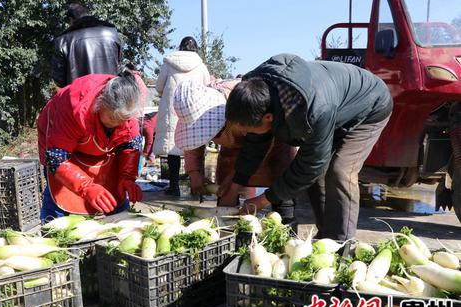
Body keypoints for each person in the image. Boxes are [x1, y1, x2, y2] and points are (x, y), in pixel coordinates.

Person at [223, 54, 393, 240]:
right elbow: (255, 144)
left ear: (269, 117)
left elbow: (310, 165)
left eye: (249, 129)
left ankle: (341, 244)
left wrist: (264, 199)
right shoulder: (256, 92)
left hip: (370, 105)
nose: (247, 133)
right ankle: (326, 237)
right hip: (334, 108)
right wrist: (234, 188)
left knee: (340, 171)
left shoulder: (313, 109)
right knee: (316, 177)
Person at [173, 80, 298, 229]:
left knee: (281, 195)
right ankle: (228, 234)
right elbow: (193, 143)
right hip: (232, 154)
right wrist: (194, 172)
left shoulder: (244, 99)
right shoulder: (192, 111)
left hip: (272, 146)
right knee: (226, 196)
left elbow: (257, 146)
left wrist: (235, 179)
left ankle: (287, 230)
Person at [37, 70, 143, 221]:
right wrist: (86, 187)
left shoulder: (126, 110)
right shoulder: (71, 105)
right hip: (64, 149)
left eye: (124, 119)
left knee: (116, 197)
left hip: (102, 150)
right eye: (114, 118)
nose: (119, 123)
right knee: (60, 197)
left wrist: (127, 177)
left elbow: (130, 145)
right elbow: (56, 158)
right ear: (100, 103)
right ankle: (51, 224)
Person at [153, 36, 210, 196]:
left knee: (173, 148)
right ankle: (196, 186)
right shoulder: (201, 66)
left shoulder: (168, 63)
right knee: (195, 147)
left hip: (173, 110)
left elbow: (158, 87)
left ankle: (174, 186)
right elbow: (207, 86)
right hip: (194, 110)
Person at [51, 3, 121, 87]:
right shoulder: (112, 32)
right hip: (110, 95)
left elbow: (59, 79)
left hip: (80, 97)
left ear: (71, 19)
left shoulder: (63, 40)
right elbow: (118, 64)